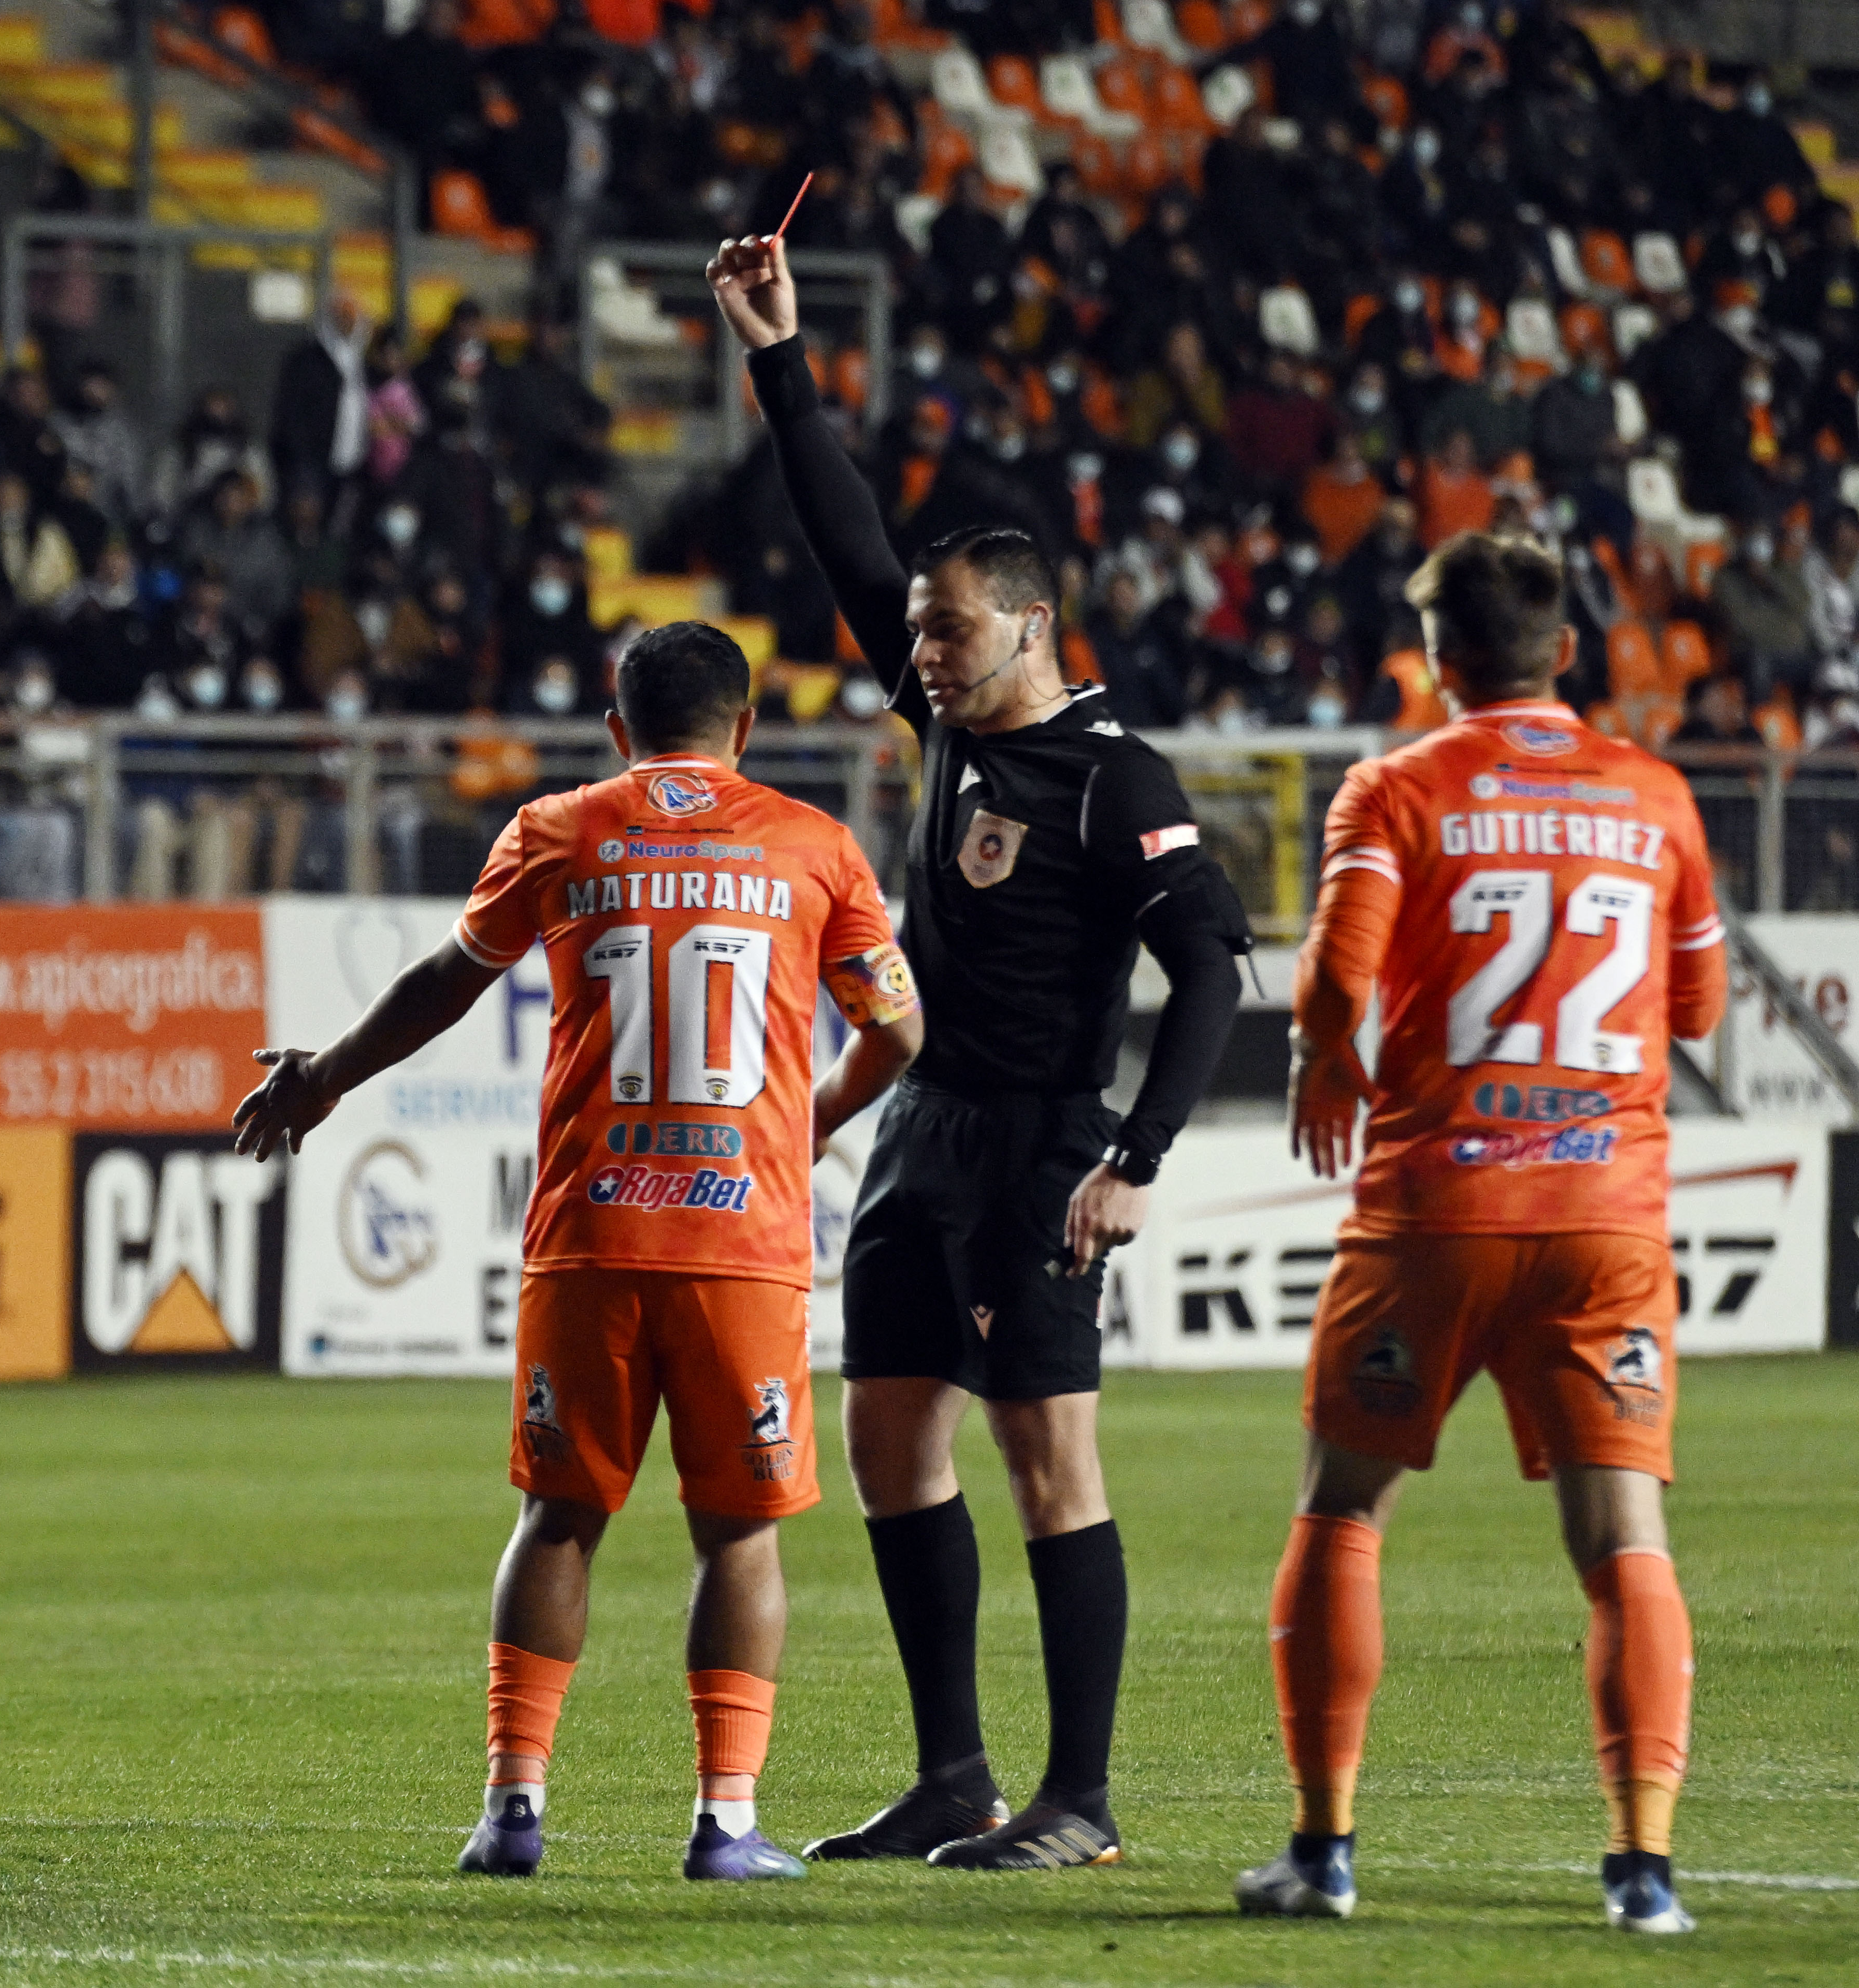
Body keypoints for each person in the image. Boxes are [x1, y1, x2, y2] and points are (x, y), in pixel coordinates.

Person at [707, 231, 1253, 1869]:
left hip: (1038, 1142)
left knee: (1044, 1453)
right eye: (920, 635)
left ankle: (1079, 1798)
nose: (923, 655)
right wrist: (776, 358)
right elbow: (844, 536)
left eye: (948, 634)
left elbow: (1211, 968)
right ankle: (953, 1776)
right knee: (886, 1438)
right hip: (922, 1130)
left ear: (1030, 626)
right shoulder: (950, 720)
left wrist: (1134, 1154)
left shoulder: (1113, 777)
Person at [233, 623, 926, 1882]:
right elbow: (895, 1025)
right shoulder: (814, 844)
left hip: (588, 1234)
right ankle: (723, 1823)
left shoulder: (555, 829)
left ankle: (510, 1808)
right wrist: (808, 1118)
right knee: (737, 1534)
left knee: (556, 1518)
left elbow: (445, 979)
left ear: (616, 729)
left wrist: (324, 1076)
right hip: (738, 1239)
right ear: (744, 727)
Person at [1244, 534, 1727, 1934]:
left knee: (1342, 1506)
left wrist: (1317, 1060)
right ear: (1563, 649)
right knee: (1620, 1532)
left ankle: (1322, 1851)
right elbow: (1695, 1008)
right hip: (1603, 1218)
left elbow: (1333, 976)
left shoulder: (1397, 785)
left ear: (1434, 659)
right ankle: (1642, 1868)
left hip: (1434, 1208)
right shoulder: (1655, 792)